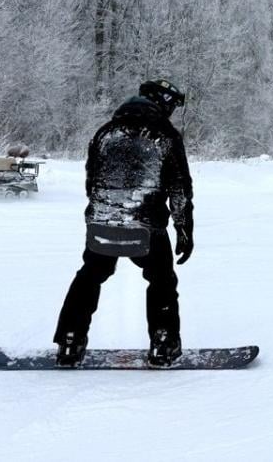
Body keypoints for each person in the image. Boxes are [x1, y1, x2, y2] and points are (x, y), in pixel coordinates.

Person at [53, 78, 194, 367]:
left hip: (103, 222)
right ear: (163, 103)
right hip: (146, 226)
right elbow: (179, 188)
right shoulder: (166, 136)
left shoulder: (105, 133)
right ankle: (163, 344)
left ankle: (69, 341)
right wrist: (183, 229)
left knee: (89, 276)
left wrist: (104, 212)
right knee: (161, 280)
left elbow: (92, 181)